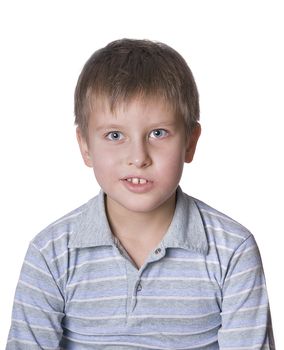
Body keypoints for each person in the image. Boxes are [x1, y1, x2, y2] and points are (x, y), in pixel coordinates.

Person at [6, 39, 275, 349]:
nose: (138, 156)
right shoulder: (51, 253)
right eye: (115, 135)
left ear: (190, 142)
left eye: (158, 133)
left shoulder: (232, 251)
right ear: (85, 146)